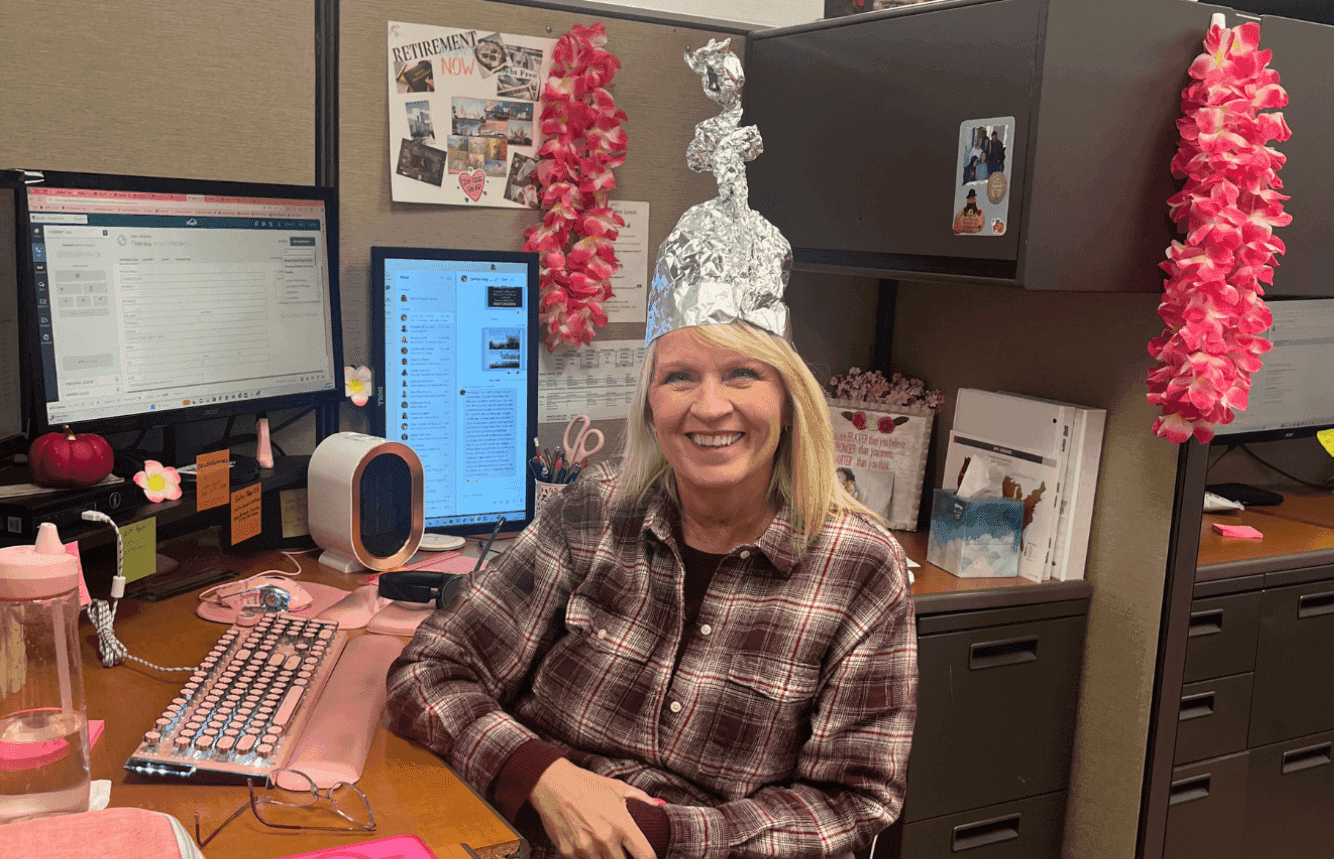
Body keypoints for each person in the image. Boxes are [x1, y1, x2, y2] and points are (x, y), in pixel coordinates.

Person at [386, 39, 917, 859]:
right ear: (649, 399)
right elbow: (429, 669)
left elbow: (855, 803)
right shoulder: (595, 508)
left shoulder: (857, 567)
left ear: (787, 396)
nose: (710, 407)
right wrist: (544, 775)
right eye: (679, 377)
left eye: (742, 374)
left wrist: (663, 833)